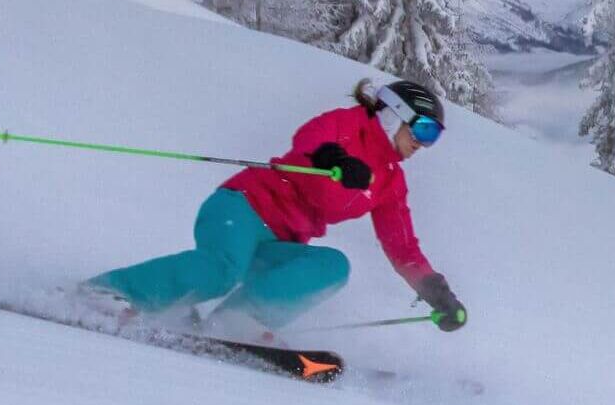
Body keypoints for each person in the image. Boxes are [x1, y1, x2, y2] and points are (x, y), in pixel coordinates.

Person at [88, 79, 467, 340]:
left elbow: (402, 247)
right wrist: (332, 157)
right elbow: (310, 137)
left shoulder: (390, 183)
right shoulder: (350, 125)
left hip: (279, 242)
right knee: (221, 269)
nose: (423, 144)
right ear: (393, 115)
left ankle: (235, 323)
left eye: (433, 137)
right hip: (241, 209)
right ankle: (109, 294)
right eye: (423, 131)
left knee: (333, 266)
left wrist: (436, 291)